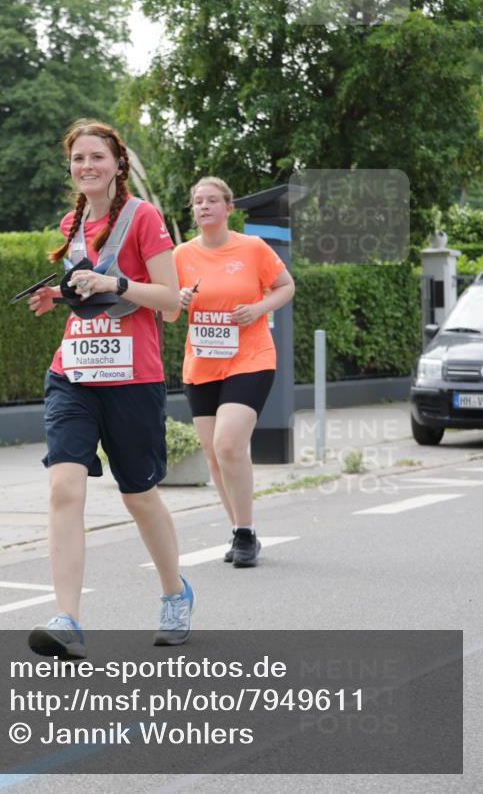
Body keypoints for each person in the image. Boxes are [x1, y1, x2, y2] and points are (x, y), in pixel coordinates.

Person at [26, 118, 194, 658]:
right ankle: (67, 619)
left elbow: (170, 299)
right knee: (64, 486)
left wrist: (114, 282)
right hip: (73, 372)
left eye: (97, 157)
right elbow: (89, 291)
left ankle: (174, 592)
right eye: (79, 159)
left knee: (138, 494)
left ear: (118, 164)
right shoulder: (70, 223)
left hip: (132, 377)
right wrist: (61, 297)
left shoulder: (143, 218)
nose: (87, 166)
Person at [165, 177, 295, 567]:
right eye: (197, 202)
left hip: (250, 357)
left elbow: (286, 286)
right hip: (202, 362)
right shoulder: (180, 255)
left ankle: (244, 531)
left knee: (228, 443)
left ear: (228, 208)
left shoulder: (252, 248)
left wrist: (258, 309)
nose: (203, 207)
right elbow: (168, 314)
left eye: (211, 201)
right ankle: (241, 530)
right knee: (213, 453)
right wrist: (179, 299)